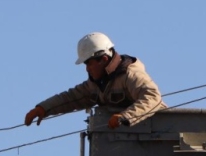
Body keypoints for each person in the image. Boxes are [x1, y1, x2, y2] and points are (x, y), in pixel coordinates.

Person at [24, 32, 167, 129]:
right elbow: (71, 98)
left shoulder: (130, 74)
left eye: (89, 63)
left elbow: (152, 97)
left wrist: (125, 117)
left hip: (158, 134)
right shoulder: (96, 84)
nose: (87, 69)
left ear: (103, 59)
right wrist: (44, 108)